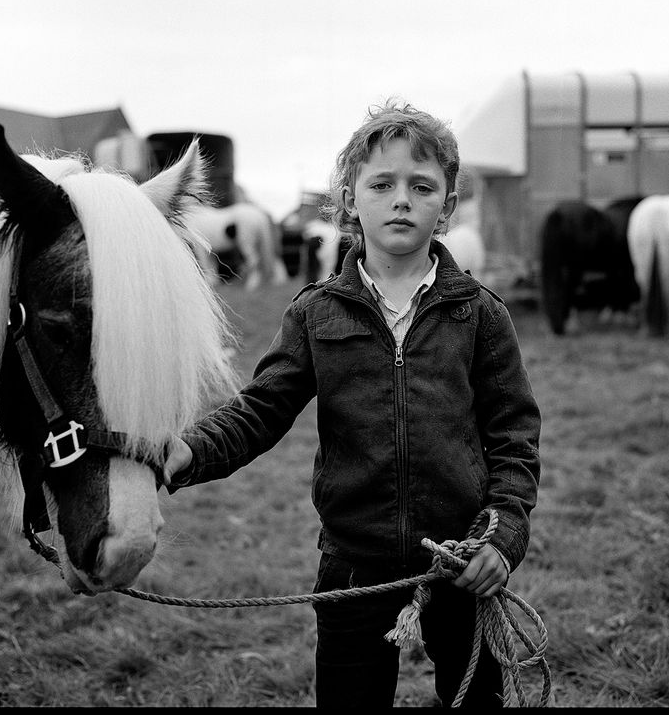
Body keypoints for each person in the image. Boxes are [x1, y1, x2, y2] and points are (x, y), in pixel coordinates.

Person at [163, 100, 542, 708]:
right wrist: (190, 450)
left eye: (422, 186)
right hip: (352, 567)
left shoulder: (479, 314)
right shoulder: (316, 314)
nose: (401, 199)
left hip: (462, 564)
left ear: (446, 206)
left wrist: (502, 538)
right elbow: (260, 410)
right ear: (349, 198)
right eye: (382, 184)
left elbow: (514, 436)